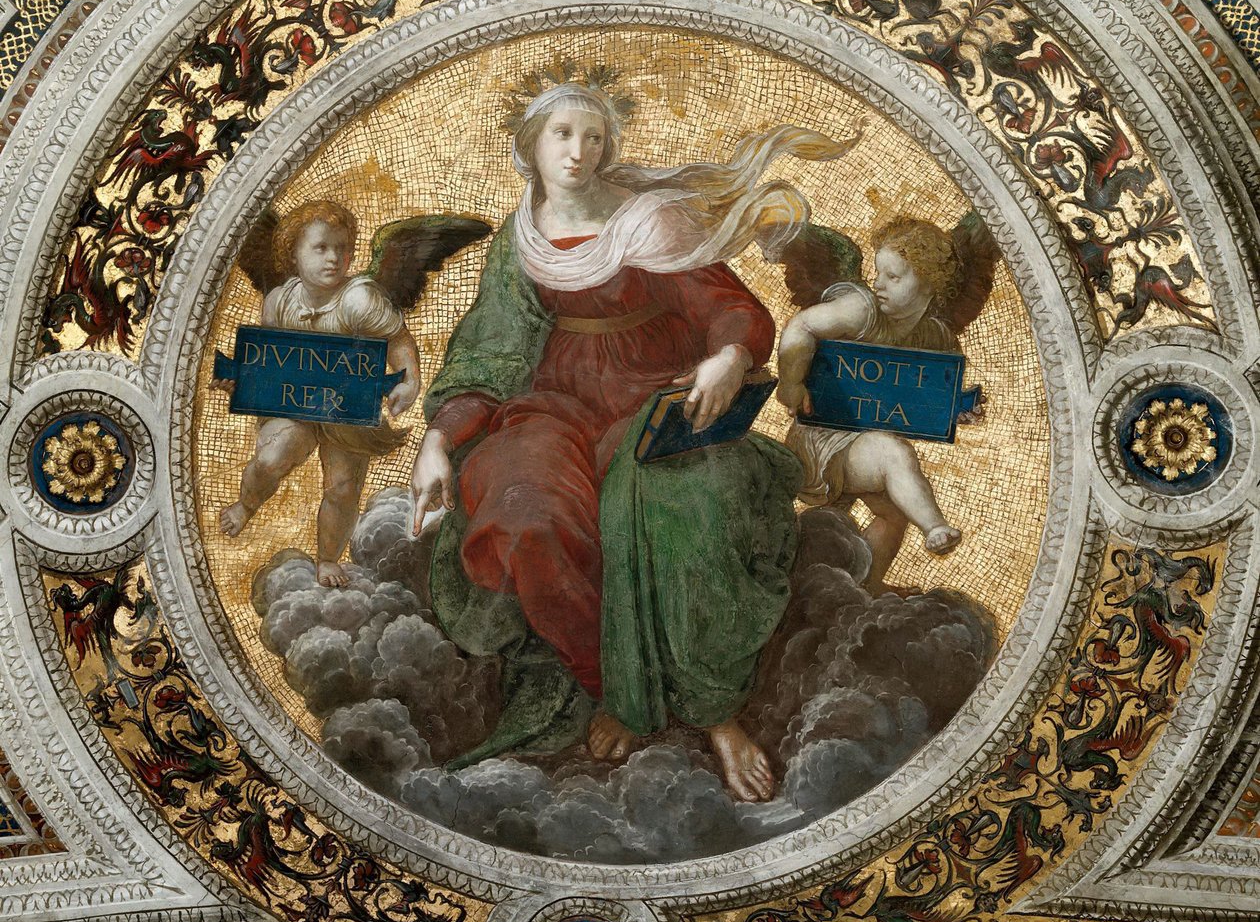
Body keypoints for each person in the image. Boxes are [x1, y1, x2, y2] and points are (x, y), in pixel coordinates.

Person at [410, 81, 858, 801]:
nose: (578, 152)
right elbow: (486, 357)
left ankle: (713, 712)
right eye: (562, 134)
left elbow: (729, 307)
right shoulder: (517, 242)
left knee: (676, 509)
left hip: (656, 394)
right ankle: (612, 684)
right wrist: (438, 438)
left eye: (593, 137)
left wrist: (729, 356)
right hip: (552, 407)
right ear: (530, 145)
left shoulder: (651, 221)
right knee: (524, 515)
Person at [219, 200, 421, 587]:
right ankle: (246, 504)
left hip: (345, 408)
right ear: (293, 254)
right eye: (321, 247)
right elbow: (266, 358)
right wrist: (240, 379)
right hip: (293, 404)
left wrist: (409, 380)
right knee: (272, 456)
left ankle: (327, 558)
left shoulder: (359, 299)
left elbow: (398, 339)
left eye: (342, 248)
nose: (334, 258)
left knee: (342, 488)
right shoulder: (280, 301)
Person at [775, 216, 967, 594]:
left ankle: (865, 588)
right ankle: (935, 527)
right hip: (823, 439)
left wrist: (959, 407)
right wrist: (791, 382)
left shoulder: (935, 337)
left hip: (866, 444)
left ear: (929, 283)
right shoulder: (862, 309)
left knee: (893, 513)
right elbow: (801, 326)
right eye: (879, 273)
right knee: (894, 454)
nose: (878, 284)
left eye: (893, 277)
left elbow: (937, 393)